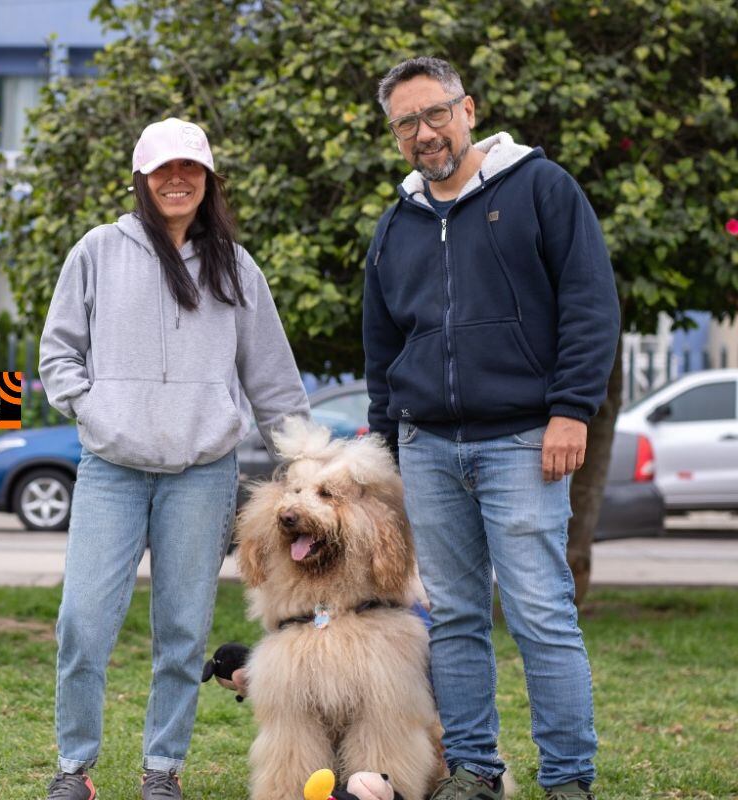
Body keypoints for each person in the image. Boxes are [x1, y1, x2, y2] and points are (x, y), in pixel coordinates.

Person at [362, 57, 619, 800]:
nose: (424, 132)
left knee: (540, 611)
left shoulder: (541, 188)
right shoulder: (396, 225)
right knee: (455, 618)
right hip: (428, 446)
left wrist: (571, 408)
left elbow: (589, 304)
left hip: (522, 440)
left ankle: (568, 777)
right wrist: (386, 448)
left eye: (434, 112)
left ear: (467, 108)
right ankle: (475, 769)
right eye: (406, 123)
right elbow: (382, 348)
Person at [39, 117, 309, 800]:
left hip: (202, 471)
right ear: (142, 178)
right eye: (163, 169)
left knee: (183, 628)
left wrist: (302, 461)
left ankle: (163, 768)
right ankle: (75, 769)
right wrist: (96, 409)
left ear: (208, 178)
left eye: (190, 167)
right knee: (82, 620)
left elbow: (273, 379)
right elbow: (58, 354)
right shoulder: (98, 250)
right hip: (112, 469)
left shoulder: (236, 265)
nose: (177, 179)